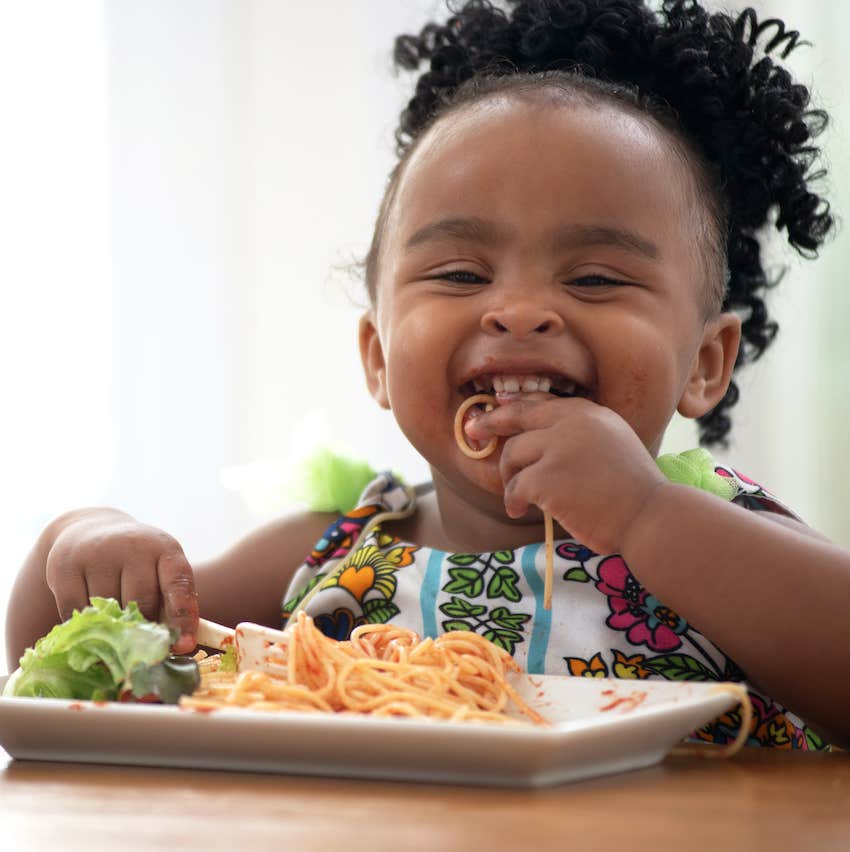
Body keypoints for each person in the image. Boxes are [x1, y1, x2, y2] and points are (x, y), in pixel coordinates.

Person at [5, 0, 849, 750]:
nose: (518, 311)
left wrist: (643, 514)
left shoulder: (723, 534)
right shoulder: (338, 549)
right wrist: (78, 541)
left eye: (594, 279)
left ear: (706, 363)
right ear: (377, 355)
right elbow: (83, 661)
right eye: (458, 275)